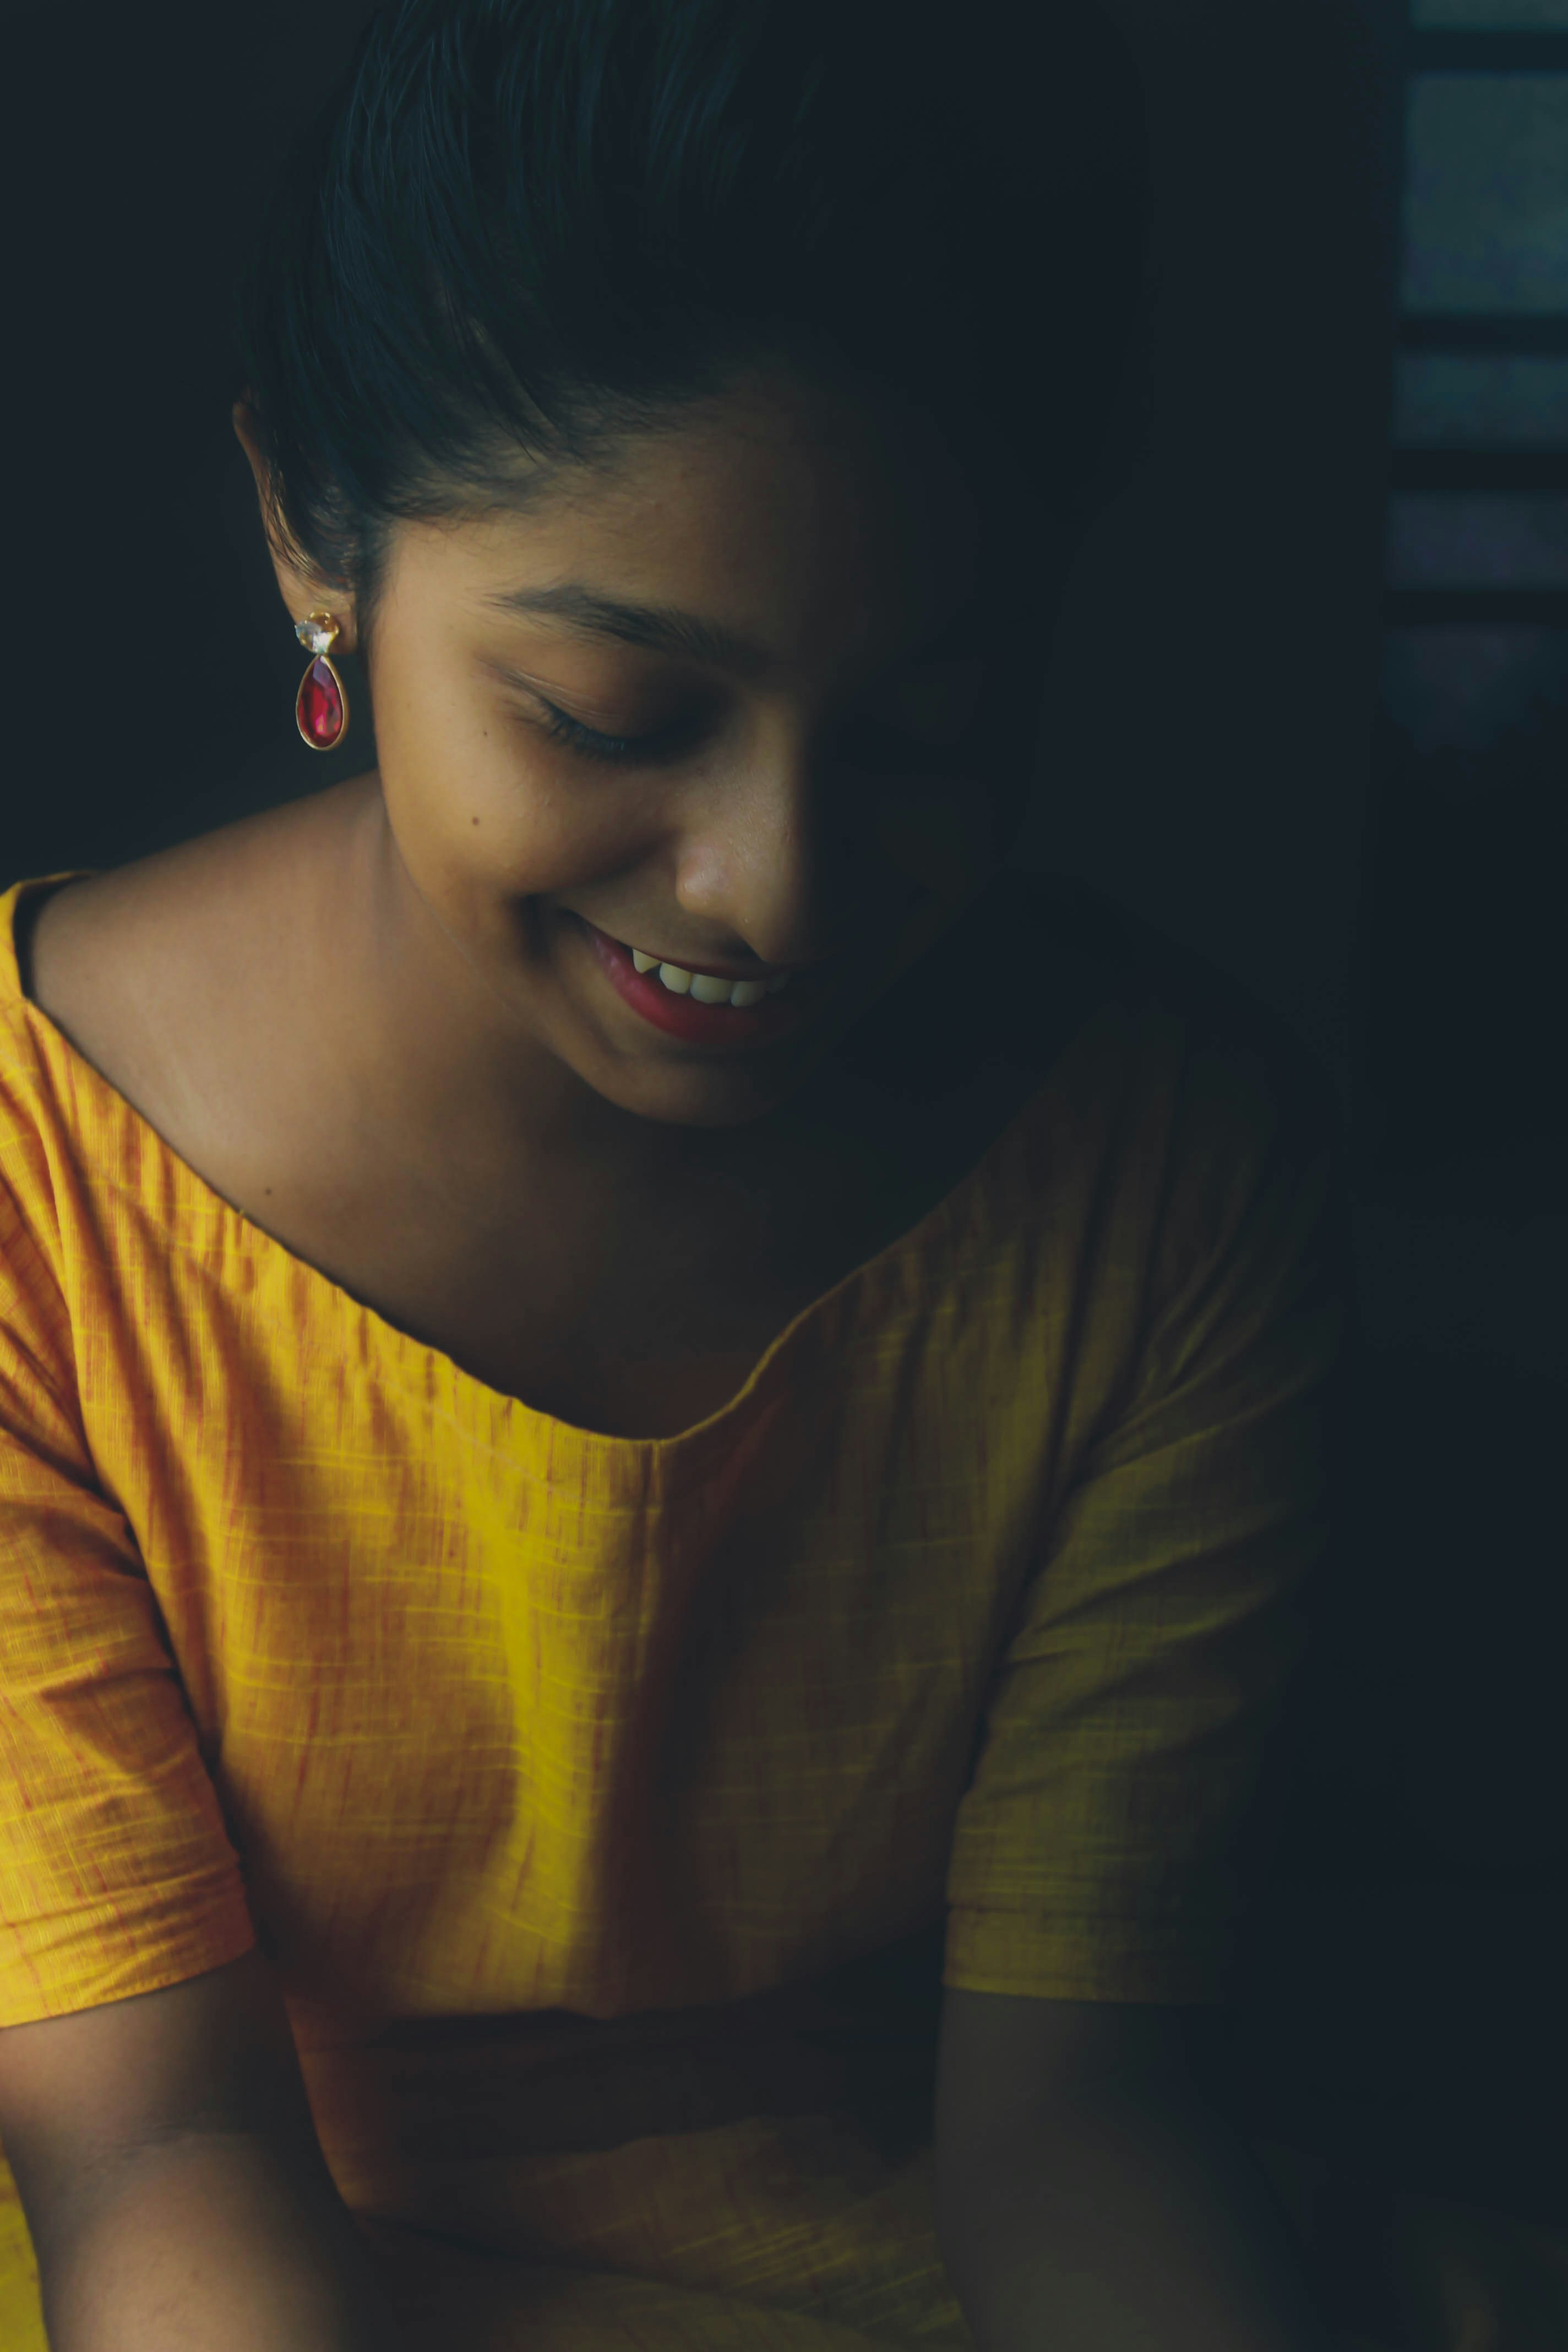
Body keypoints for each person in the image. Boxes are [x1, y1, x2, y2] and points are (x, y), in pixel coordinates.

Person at [0, 2, 1354, 2345]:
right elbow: (158, 2153)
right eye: (613, 718)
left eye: (927, 733)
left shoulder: (1157, 1180)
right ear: (316, 535)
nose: (776, 891)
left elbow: (1073, 2119)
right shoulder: (36, 1197)